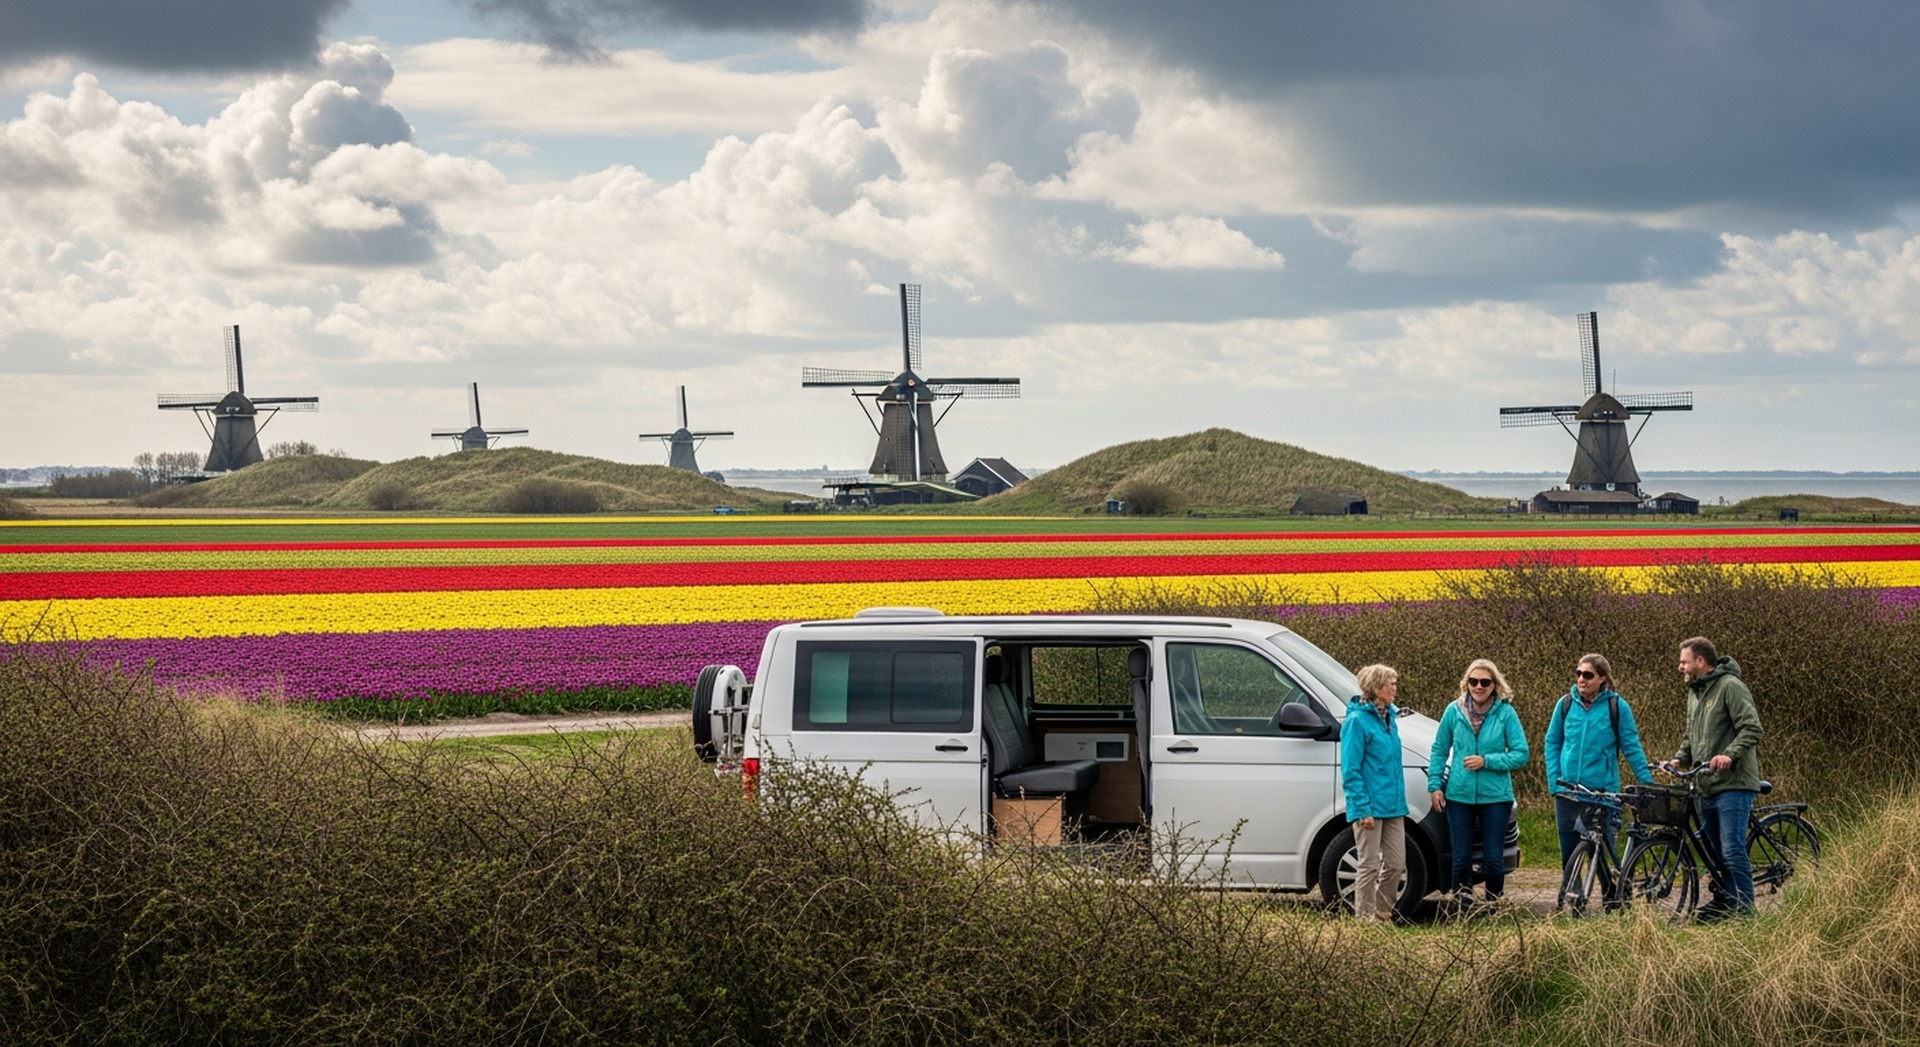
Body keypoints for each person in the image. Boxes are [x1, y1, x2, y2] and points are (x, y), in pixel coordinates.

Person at [1660, 636, 1764, 918]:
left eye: (1683, 661)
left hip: (1733, 784)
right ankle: (1724, 905)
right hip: (1705, 785)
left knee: (1731, 850)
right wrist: (1678, 758)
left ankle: (1744, 912)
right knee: (1714, 853)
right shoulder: (1695, 693)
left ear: (1700, 661)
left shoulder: (1731, 687)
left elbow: (1752, 729)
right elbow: (1690, 736)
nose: (1680, 667)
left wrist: (1729, 754)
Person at [1427, 659, 1528, 910]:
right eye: (1474, 681)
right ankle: (1463, 906)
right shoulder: (1453, 710)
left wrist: (1487, 761)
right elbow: (1439, 749)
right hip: (1459, 795)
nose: (1478, 686)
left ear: (1494, 685)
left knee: (1493, 858)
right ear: (1467, 683)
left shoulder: (1505, 712)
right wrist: (1435, 785)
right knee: (1461, 858)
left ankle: (1493, 904)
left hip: (1496, 796)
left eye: (1485, 682)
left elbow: (1521, 753)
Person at [1544, 653, 1654, 869]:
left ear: (1602, 678)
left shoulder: (1617, 707)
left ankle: (1611, 899)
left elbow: (1631, 747)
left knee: (1603, 854)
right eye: (1579, 674)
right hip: (1567, 792)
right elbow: (1552, 742)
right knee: (1569, 853)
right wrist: (1554, 782)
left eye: (1588, 675)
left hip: (1601, 792)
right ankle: (1573, 896)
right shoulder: (1565, 704)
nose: (1581, 679)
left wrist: (1647, 782)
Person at [1343, 664, 1409, 923]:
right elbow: (1351, 769)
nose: (1395, 687)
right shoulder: (1357, 721)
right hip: (1368, 806)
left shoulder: (1390, 717)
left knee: (1396, 865)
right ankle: (1364, 920)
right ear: (1377, 688)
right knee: (1368, 865)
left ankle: (1382, 914)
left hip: (1394, 805)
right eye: (1391, 683)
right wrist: (1362, 807)